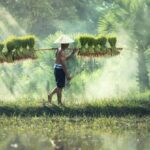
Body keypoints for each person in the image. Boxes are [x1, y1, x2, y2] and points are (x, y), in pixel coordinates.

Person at [48, 35, 77, 105]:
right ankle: (59, 102)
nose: (68, 45)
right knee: (60, 87)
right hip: (59, 69)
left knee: (59, 86)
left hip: (58, 68)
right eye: (67, 43)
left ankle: (50, 95)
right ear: (65, 44)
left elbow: (64, 59)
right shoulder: (61, 51)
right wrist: (67, 75)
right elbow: (63, 64)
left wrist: (72, 53)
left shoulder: (59, 49)